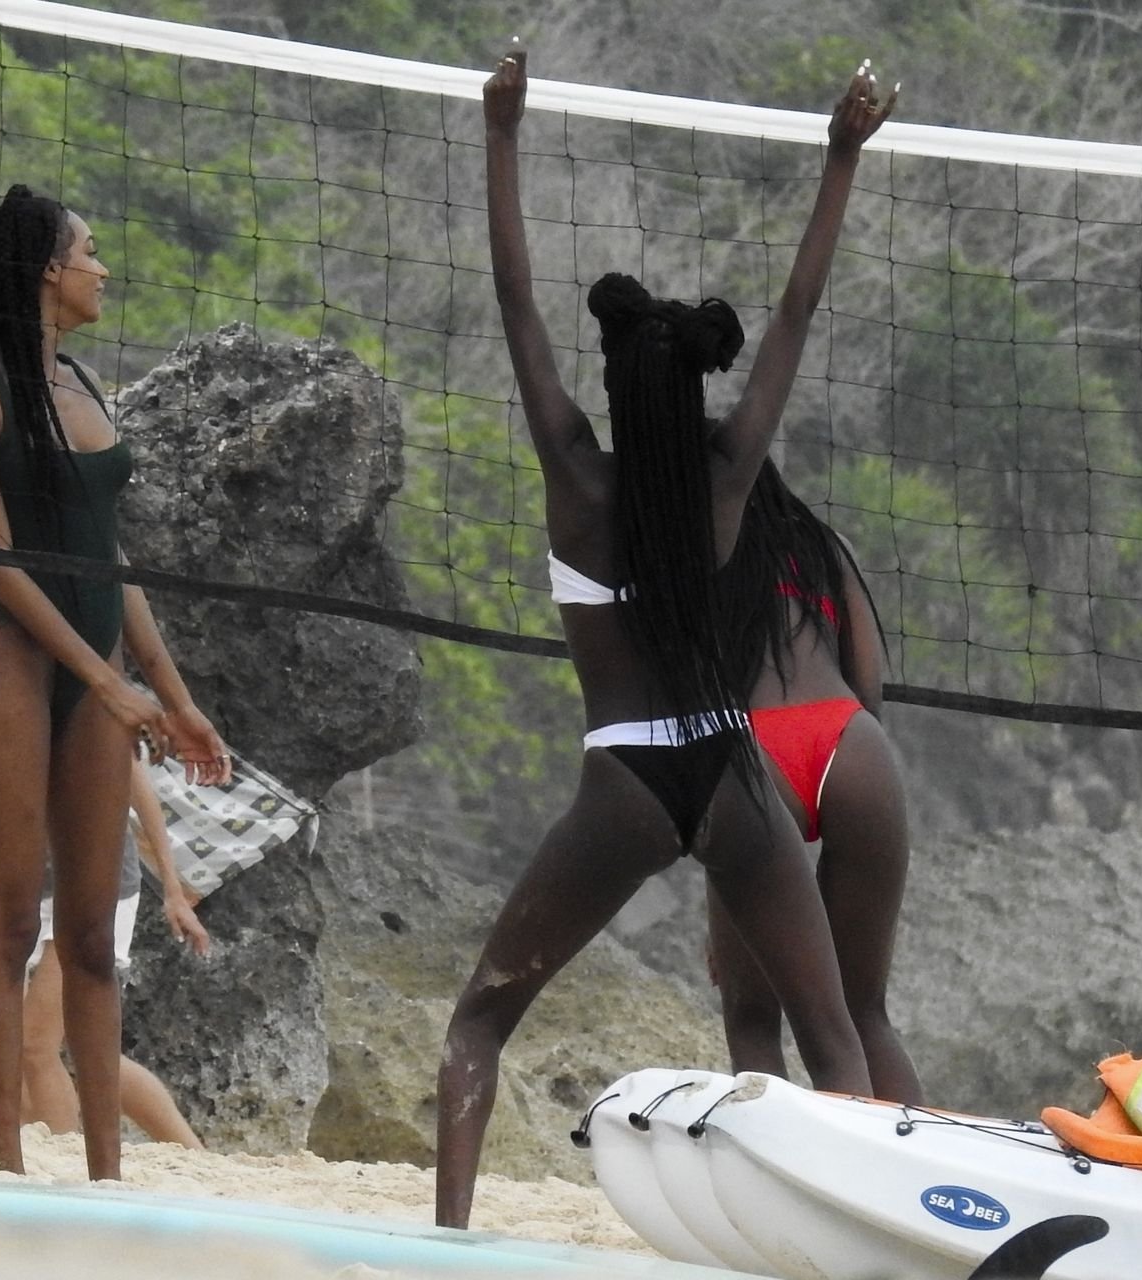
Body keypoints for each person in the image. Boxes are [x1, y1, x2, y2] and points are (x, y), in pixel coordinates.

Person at [435, 49, 895, 1228]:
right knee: (834, 1032)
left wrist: (501, 133)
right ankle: (864, 1237)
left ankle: (446, 1241)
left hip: (629, 778)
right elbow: (794, 311)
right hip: (734, 771)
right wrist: (841, 155)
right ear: (695, 390)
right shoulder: (731, 473)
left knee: (479, 1021)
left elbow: (516, 300)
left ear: (610, 389)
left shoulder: (576, 478)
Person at [0, 185, 233, 1178]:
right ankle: (9, 1165)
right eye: (90, 251)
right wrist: (103, 681)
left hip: (100, 660)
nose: (103, 268)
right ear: (48, 270)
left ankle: (107, 1172)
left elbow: (109, 557)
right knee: (14, 920)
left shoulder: (85, 382)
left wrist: (174, 695)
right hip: (11, 665)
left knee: (93, 936)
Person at [703, 460, 924, 1104]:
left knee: (752, 1016)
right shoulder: (827, 546)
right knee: (865, 1013)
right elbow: (868, 686)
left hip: (754, 749)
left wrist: (723, 898)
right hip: (853, 742)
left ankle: (777, 1155)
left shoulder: (693, 553)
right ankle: (918, 1154)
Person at [21, 760, 210, 1148]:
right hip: (32, 884)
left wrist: (173, 890)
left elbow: (140, 794)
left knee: (36, 1044)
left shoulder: (98, 719)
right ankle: (194, 1153)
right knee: (83, 1049)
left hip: (96, 886)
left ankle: (63, 1158)